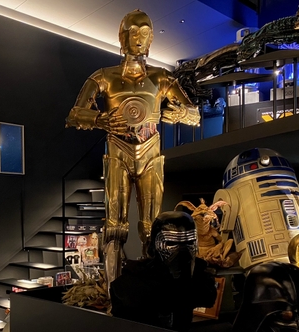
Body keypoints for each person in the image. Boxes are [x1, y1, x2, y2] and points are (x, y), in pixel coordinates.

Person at [66, 9, 200, 289]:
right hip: (118, 151)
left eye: (145, 32)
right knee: (115, 227)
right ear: (122, 37)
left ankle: (153, 289)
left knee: (152, 226)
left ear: (151, 38)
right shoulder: (104, 77)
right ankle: (114, 292)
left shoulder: (162, 78)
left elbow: (194, 113)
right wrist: (100, 119)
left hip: (150, 153)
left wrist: (179, 114)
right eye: (133, 32)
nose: (139, 38)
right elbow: (74, 115)